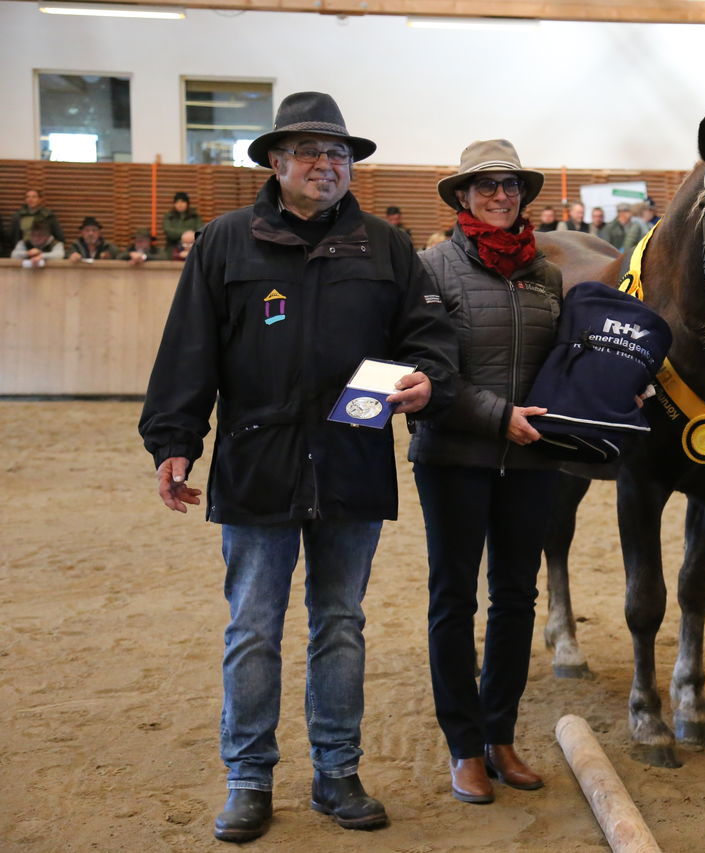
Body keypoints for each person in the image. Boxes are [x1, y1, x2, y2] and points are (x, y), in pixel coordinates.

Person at [137, 91, 458, 843]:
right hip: (258, 462)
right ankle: (248, 779)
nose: (326, 164)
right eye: (309, 151)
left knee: (340, 624)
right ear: (276, 163)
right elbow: (189, 349)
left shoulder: (386, 246)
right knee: (253, 627)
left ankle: (336, 772)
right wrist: (174, 438)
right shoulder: (225, 242)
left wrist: (429, 379)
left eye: (338, 152)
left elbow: (428, 335)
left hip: (351, 462)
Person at [411, 138, 562, 807]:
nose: (501, 196)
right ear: (463, 197)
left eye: (511, 186)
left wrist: (613, 390)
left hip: (530, 459)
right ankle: (465, 745)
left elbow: (564, 363)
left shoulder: (546, 275)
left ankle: (500, 733)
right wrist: (497, 416)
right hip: (453, 455)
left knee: (517, 597)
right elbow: (427, 370)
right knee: (454, 599)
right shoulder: (431, 268)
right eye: (487, 186)